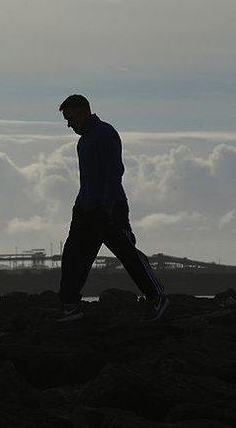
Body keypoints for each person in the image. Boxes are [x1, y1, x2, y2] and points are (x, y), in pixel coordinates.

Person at [57, 94, 168, 322]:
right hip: (85, 208)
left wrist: (106, 206)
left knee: (128, 254)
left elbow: (114, 171)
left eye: (71, 119)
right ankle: (71, 306)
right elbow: (88, 179)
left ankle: (157, 298)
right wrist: (80, 205)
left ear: (83, 112)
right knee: (73, 257)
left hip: (110, 207)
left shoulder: (105, 133)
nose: (69, 125)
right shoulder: (83, 141)